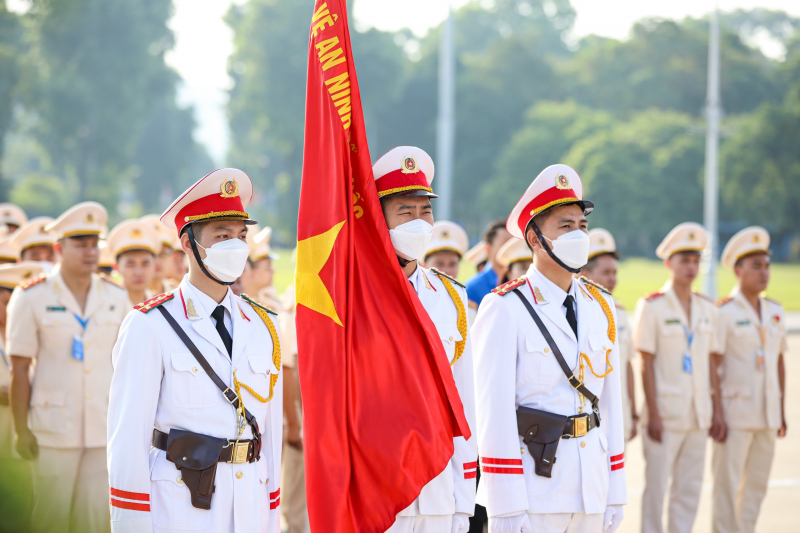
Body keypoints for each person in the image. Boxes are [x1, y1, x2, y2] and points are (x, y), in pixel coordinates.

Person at [107, 168, 283, 533]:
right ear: (188, 243)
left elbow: (271, 437)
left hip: (249, 506)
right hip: (181, 508)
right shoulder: (150, 324)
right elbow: (128, 442)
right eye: (222, 236)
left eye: (241, 235)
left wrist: (270, 515)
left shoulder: (264, 324)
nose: (236, 246)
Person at [473, 164, 626, 533]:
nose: (579, 235)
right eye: (565, 226)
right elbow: (492, 412)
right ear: (536, 239)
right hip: (534, 490)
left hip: (591, 486)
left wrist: (615, 487)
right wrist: (505, 506)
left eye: (582, 226)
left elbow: (610, 403)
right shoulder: (504, 307)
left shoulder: (600, 304)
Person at [7, 202, 130, 533]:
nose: (90, 252)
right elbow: (19, 368)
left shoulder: (116, 297)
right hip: (52, 429)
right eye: (80, 244)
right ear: (59, 248)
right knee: (51, 517)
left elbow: (126, 366)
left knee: (96, 519)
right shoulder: (31, 296)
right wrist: (21, 429)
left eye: (94, 244)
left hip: (102, 426)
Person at [372, 146, 477, 533]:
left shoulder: (451, 297)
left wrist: (463, 499)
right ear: (379, 219)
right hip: (378, 492)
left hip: (439, 487)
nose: (419, 222)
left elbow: (463, 403)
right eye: (405, 212)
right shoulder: (353, 296)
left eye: (425, 211)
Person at [633, 222, 720, 533]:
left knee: (689, 490)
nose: (691, 267)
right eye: (685, 261)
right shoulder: (652, 306)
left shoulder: (707, 307)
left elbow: (712, 363)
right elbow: (645, 363)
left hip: (698, 414)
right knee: (657, 491)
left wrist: (716, 411)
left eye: (696, 261)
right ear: (669, 263)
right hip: (665, 416)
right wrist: (653, 413)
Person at [711, 226, 788, 533]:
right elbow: (713, 365)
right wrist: (717, 412)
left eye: (767, 265)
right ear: (738, 270)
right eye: (756, 266)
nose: (764, 272)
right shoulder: (724, 312)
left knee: (756, 487)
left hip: (767, 413)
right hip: (735, 415)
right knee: (727, 488)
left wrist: (781, 408)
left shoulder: (775, 310)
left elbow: (778, 360)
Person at [582, 229, 637, 441]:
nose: (613, 279)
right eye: (606, 273)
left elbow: (628, 364)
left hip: (619, 411)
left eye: (615, 272)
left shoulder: (619, 311)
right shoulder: (575, 312)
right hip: (588, 417)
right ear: (585, 273)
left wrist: (633, 411)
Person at [0, 262, 43, 533]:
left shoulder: (39, 336)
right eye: (5, 302)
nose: (10, 310)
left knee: (28, 511)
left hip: (33, 438)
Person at [278, 248, 308, 533]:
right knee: (298, 488)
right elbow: (290, 367)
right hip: (303, 409)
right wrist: (296, 421)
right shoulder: (294, 304)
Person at [107, 220, 161, 307]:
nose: (138, 272)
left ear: (154, 265)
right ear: (116, 267)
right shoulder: (106, 305)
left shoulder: (161, 306)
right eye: (130, 265)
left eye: (145, 264)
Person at [465, 221, 512, 313]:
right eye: (505, 244)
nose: (510, 249)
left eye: (513, 244)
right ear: (489, 249)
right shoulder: (473, 288)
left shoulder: (524, 282)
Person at [240, 226, 280, 310]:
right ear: (252, 272)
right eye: (268, 268)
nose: (273, 271)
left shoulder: (268, 301)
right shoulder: (241, 305)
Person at [141, 214, 181, 294]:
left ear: (171, 257)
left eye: (163, 254)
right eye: (152, 255)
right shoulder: (128, 295)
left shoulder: (178, 293)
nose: (157, 261)